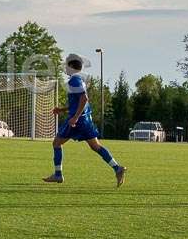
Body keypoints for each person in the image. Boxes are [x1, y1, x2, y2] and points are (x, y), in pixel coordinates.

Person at [44, 53, 126, 186]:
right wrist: (63, 109)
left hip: (78, 121)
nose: (65, 68)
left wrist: (75, 117)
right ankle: (117, 168)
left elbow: (84, 99)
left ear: (71, 66)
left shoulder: (74, 80)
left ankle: (58, 175)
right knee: (96, 146)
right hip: (86, 120)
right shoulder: (79, 79)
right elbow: (79, 101)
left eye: (66, 65)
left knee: (56, 143)